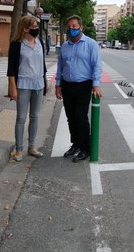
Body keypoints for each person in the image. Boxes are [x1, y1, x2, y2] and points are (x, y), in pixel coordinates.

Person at [55, 15, 102, 163]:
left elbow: (97, 65)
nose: (72, 29)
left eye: (74, 26)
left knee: (80, 117)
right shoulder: (65, 46)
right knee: (70, 117)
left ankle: (85, 148)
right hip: (67, 85)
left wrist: (96, 84)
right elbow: (60, 66)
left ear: (81, 27)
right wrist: (58, 85)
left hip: (83, 85)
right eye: (69, 27)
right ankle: (75, 144)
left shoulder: (91, 44)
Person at [7, 15, 48, 161]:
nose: (36, 29)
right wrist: (12, 88)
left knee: (35, 117)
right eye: (34, 26)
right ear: (25, 28)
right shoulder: (16, 44)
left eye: (37, 26)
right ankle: (19, 149)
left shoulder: (40, 42)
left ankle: (32, 147)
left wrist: (45, 81)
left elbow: (42, 64)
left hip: (38, 84)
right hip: (23, 85)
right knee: (21, 118)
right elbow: (11, 68)